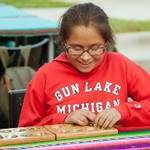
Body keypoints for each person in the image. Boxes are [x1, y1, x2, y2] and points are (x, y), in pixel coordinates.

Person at [18, 2, 150, 129]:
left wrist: (123, 111)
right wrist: (63, 119)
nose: (85, 57)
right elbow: (26, 131)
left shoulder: (120, 65)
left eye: (95, 48)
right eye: (76, 48)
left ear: (106, 43)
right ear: (64, 42)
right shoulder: (45, 75)